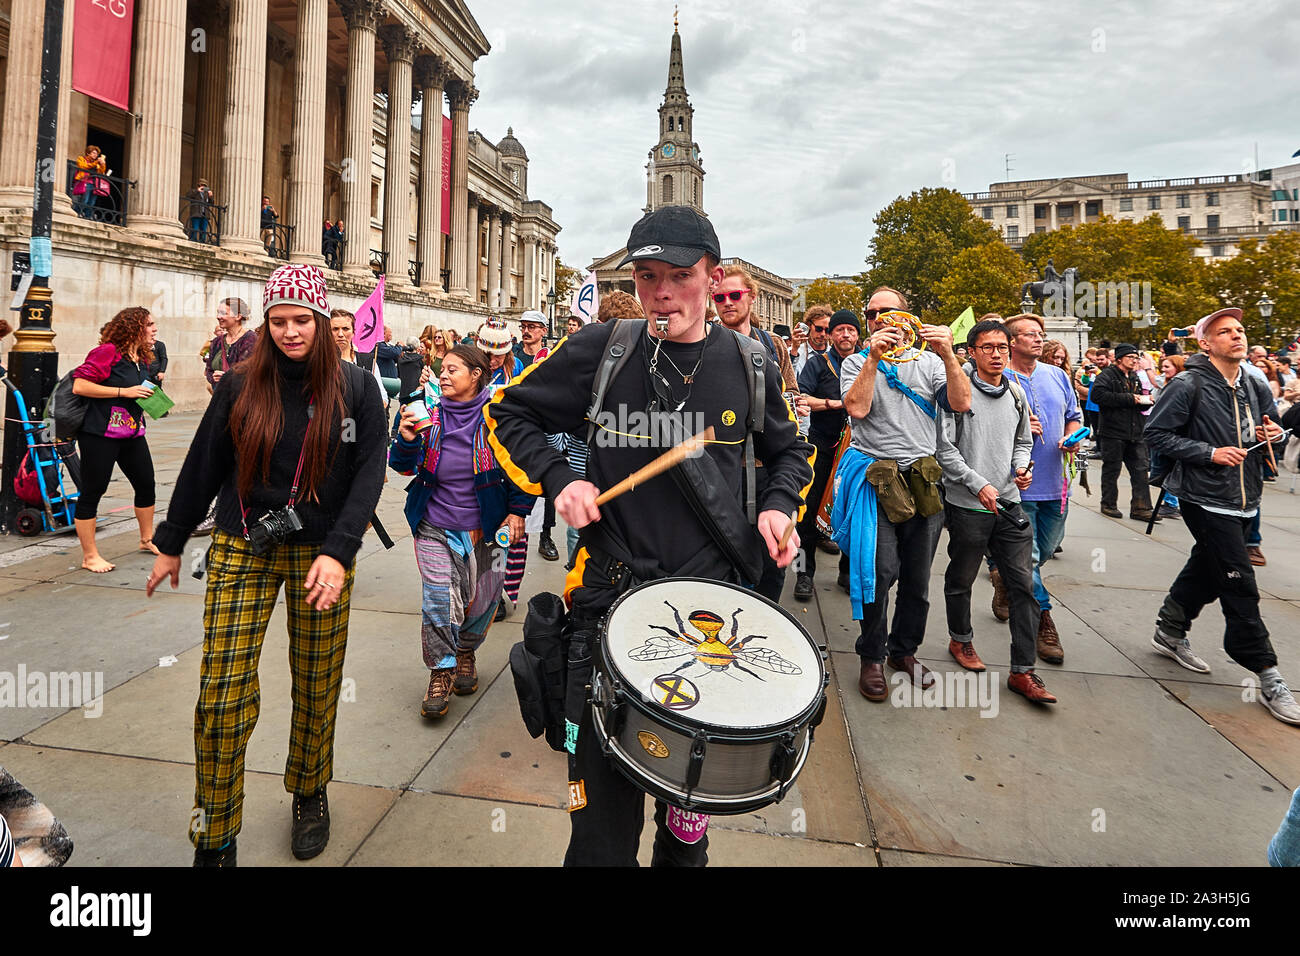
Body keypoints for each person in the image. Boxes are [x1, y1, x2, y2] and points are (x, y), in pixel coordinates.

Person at [487, 205, 813, 866]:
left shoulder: (751, 365)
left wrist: (780, 509)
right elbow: (507, 411)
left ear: (712, 276)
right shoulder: (600, 352)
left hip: (709, 619)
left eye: (679, 276)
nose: (661, 292)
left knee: (685, 830)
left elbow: (790, 455)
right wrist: (558, 480)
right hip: (606, 608)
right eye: (646, 277)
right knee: (597, 841)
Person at [145, 263, 387, 865]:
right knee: (221, 695)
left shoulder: (357, 389)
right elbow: (204, 462)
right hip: (244, 543)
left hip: (321, 551)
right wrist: (171, 540)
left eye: (301, 319)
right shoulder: (238, 383)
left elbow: (368, 475)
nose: (289, 332)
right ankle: (216, 832)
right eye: (278, 320)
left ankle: (309, 789)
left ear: (322, 319)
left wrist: (342, 548)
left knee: (316, 681)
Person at [1145, 307, 1297, 726]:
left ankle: (1170, 629)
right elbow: (1155, 434)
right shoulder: (1187, 383)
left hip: (1247, 496)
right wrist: (1208, 453)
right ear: (1205, 342)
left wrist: (1273, 433)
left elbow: (1269, 426)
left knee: (1210, 564)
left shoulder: (1253, 379)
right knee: (1238, 581)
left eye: (1240, 330)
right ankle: (1267, 673)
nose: (1237, 336)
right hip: (1204, 496)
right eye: (1225, 331)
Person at [838, 287, 971, 702]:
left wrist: (949, 353)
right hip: (875, 479)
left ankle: (904, 651)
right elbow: (856, 409)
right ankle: (871, 655)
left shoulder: (930, 362)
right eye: (872, 313)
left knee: (917, 577)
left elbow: (962, 401)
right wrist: (874, 359)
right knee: (878, 572)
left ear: (907, 317)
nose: (879, 319)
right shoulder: (856, 362)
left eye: (887, 312)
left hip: (923, 479)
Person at [390, 345, 533, 718]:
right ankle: (441, 670)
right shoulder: (426, 409)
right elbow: (402, 466)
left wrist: (518, 512)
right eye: (442, 368)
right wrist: (405, 439)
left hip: (488, 529)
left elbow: (520, 465)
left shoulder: (500, 415)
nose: (444, 374)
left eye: (453, 369)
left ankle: (466, 650)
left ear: (476, 375)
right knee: (440, 599)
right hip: (434, 524)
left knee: (484, 599)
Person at [936, 319, 1054, 702]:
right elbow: (945, 450)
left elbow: (1023, 441)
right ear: (971, 352)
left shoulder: (1016, 393)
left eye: (1002, 347)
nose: (996, 354)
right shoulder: (957, 391)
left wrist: (1022, 467)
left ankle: (1024, 671)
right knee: (962, 577)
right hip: (968, 503)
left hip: (1010, 503)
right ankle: (961, 640)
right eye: (987, 347)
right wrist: (978, 483)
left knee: (1023, 584)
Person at [989, 314, 1085, 663]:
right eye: (1031, 334)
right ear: (1012, 342)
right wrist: (1015, 423)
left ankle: (1004, 578)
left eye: (1041, 334)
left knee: (1044, 550)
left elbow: (1075, 413)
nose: (1039, 339)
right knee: (1027, 559)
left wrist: (1073, 435)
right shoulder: (998, 378)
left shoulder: (1058, 375)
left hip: (1057, 481)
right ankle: (1044, 618)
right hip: (1018, 485)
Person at [712, 263, 804, 602]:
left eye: (735, 295)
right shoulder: (707, 343)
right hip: (725, 469)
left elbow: (791, 393)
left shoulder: (773, 345)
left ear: (751, 298)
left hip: (768, 470)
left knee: (769, 570)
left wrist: (796, 406)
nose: (727, 302)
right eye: (719, 297)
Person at [70, 307, 161, 573]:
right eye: (150, 324)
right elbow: (80, 385)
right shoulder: (106, 352)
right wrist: (124, 391)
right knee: (93, 491)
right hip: (99, 434)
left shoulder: (140, 358)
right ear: (134, 328)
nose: (155, 329)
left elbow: (139, 392)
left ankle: (146, 539)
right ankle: (89, 556)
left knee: (146, 484)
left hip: (131, 431)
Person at [792, 309, 858, 602]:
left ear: (858, 335)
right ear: (830, 335)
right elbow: (801, 398)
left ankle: (847, 570)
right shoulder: (819, 364)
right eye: (839, 329)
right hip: (820, 446)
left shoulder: (868, 363)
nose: (845, 334)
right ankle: (803, 574)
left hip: (855, 451)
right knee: (806, 513)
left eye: (851, 329)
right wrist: (837, 403)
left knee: (853, 512)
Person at [1092, 343, 1157, 521]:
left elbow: (1136, 400)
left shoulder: (1135, 376)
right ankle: (1108, 503)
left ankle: (1141, 507)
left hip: (1136, 430)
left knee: (1141, 470)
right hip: (1113, 431)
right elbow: (1097, 396)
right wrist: (1130, 398)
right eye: (1131, 357)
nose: (1134, 361)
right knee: (1112, 469)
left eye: (1136, 358)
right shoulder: (1107, 375)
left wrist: (1145, 400)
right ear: (1119, 359)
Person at [1152, 354, 1187, 519]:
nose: (1163, 370)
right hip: (1163, 431)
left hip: (1172, 433)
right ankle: (1172, 502)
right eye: (1162, 367)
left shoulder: (1179, 384)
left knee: (1170, 469)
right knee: (1165, 468)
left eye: (1167, 367)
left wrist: (1146, 368)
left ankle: (1172, 503)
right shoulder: (1167, 382)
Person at [207, 298, 256, 396]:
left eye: (223, 313)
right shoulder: (216, 341)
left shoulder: (251, 339)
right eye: (218, 313)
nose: (218, 317)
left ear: (238, 316)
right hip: (221, 399)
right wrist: (213, 377)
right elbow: (209, 369)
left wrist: (226, 377)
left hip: (242, 400)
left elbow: (251, 372)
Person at [792, 304, 833, 377]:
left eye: (827, 330)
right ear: (809, 325)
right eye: (818, 329)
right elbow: (789, 380)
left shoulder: (834, 353)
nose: (823, 334)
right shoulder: (796, 352)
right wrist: (794, 351)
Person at [72, 145, 107, 219]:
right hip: (85, 182)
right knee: (85, 200)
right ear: (88, 153)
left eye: (96, 154)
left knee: (92, 202)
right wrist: (96, 162)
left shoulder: (96, 163)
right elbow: (83, 166)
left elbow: (101, 172)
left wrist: (103, 164)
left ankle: (88, 216)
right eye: (94, 153)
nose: (96, 155)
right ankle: (76, 212)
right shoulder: (81, 159)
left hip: (94, 184)